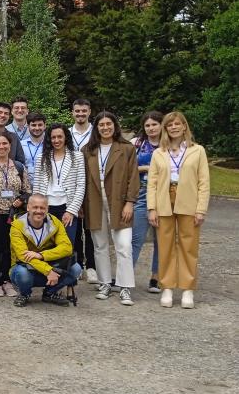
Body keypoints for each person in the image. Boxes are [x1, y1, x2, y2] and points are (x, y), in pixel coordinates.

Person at [147, 112, 209, 309]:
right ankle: (167, 287)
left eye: (177, 124)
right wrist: (151, 208)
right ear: (165, 128)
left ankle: (187, 288)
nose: (173, 127)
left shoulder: (197, 150)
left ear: (184, 126)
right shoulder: (159, 153)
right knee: (165, 246)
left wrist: (201, 209)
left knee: (188, 246)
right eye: (169, 125)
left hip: (188, 200)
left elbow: (204, 182)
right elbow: (152, 183)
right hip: (164, 200)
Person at [82, 111, 139, 305]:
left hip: (120, 202)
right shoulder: (88, 150)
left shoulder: (126, 148)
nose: (105, 128)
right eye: (101, 125)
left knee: (124, 246)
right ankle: (104, 283)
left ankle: (125, 287)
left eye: (109, 124)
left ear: (115, 126)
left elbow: (133, 177)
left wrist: (130, 202)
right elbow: (83, 179)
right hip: (95, 202)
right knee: (100, 246)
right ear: (96, 128)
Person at [0, 131, 31, 298]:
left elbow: (27, 190)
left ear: (10, 145)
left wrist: (21, 200)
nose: (1, 147)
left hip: (14, 215)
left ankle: (7, 280)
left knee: (10, 248)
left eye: (4, 144)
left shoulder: (19, 166)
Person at [9, 194, 80, 307]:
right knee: (22, 273)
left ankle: (49, 293)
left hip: (49, 264)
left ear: (47, 209)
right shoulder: (17, 226)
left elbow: (67, 248)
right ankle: (24, 294)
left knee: (76, 269)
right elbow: (23, 256)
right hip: (25, 266)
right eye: (35, 207)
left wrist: (41, 255)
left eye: (42, 208)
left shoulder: (55, 222)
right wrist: (48, 271)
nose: (39, 211)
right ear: (28, 208)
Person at [33, 124, 86, 250]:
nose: (56, 140)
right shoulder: (41, 158)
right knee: (46, 246)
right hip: (46, 208)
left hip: (67, 208)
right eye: (53, 137)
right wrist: (37, 209)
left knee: (67, 247)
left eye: (60, 137)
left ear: (66, 137)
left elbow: (81, 185)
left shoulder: (77, 157)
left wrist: (71, 211)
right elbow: (37, 186)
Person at [131, 111, 163, 292]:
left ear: (161, 125)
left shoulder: (169, 144)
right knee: (136, 238)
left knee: (161, 240)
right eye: (147, 125)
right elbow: (128, 168)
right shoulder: (137, 143)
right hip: (142, 193)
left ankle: (155, 277)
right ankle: (126, 276)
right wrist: (148, 168)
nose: (151, 128)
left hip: (164, 195)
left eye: (154, 124)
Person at [70, 98, 96, 281]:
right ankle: (78, 263)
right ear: (72, 112)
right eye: (77, 111)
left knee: (91, 227)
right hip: (73, 184)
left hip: (93, 185)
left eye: (84, 111)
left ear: (89, 112)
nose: (80, 114)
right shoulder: (67, 133)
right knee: (75, 228)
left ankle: (92, 266)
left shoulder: (96, 133)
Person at [21, 112, 46, 181]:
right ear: (28, 126)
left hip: (44, 184)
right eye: (33, 125)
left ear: (45, 126)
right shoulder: (21, 145)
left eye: (40, 125)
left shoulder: (50, 145)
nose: (37, 128)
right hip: (26, 184)